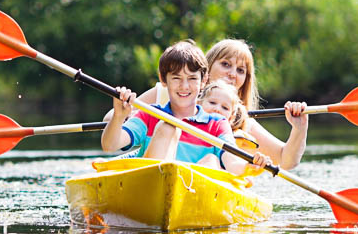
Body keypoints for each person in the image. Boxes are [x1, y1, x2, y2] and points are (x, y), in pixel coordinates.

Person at [107, 39, 309, 170]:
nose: (232, 74)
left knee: (212, 160)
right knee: (167, 127)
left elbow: (287, 160)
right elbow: (109, 121)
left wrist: (299, 129)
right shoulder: (164, 93)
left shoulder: (239, 121)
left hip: (204, 182)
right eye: (226, 64)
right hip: (154, 167)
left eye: (241, 70)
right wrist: (123, 113)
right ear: (206, 69)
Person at [194, 79, 272, 169]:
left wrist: (248, 166)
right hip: (182, 169)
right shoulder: (185, 121)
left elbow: (232, 160)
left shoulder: (225, 134)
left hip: (211, 173)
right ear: (199, 103)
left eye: (225, 107)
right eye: (212, 102)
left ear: (231, 117)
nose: (217, 109)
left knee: (211, 159)